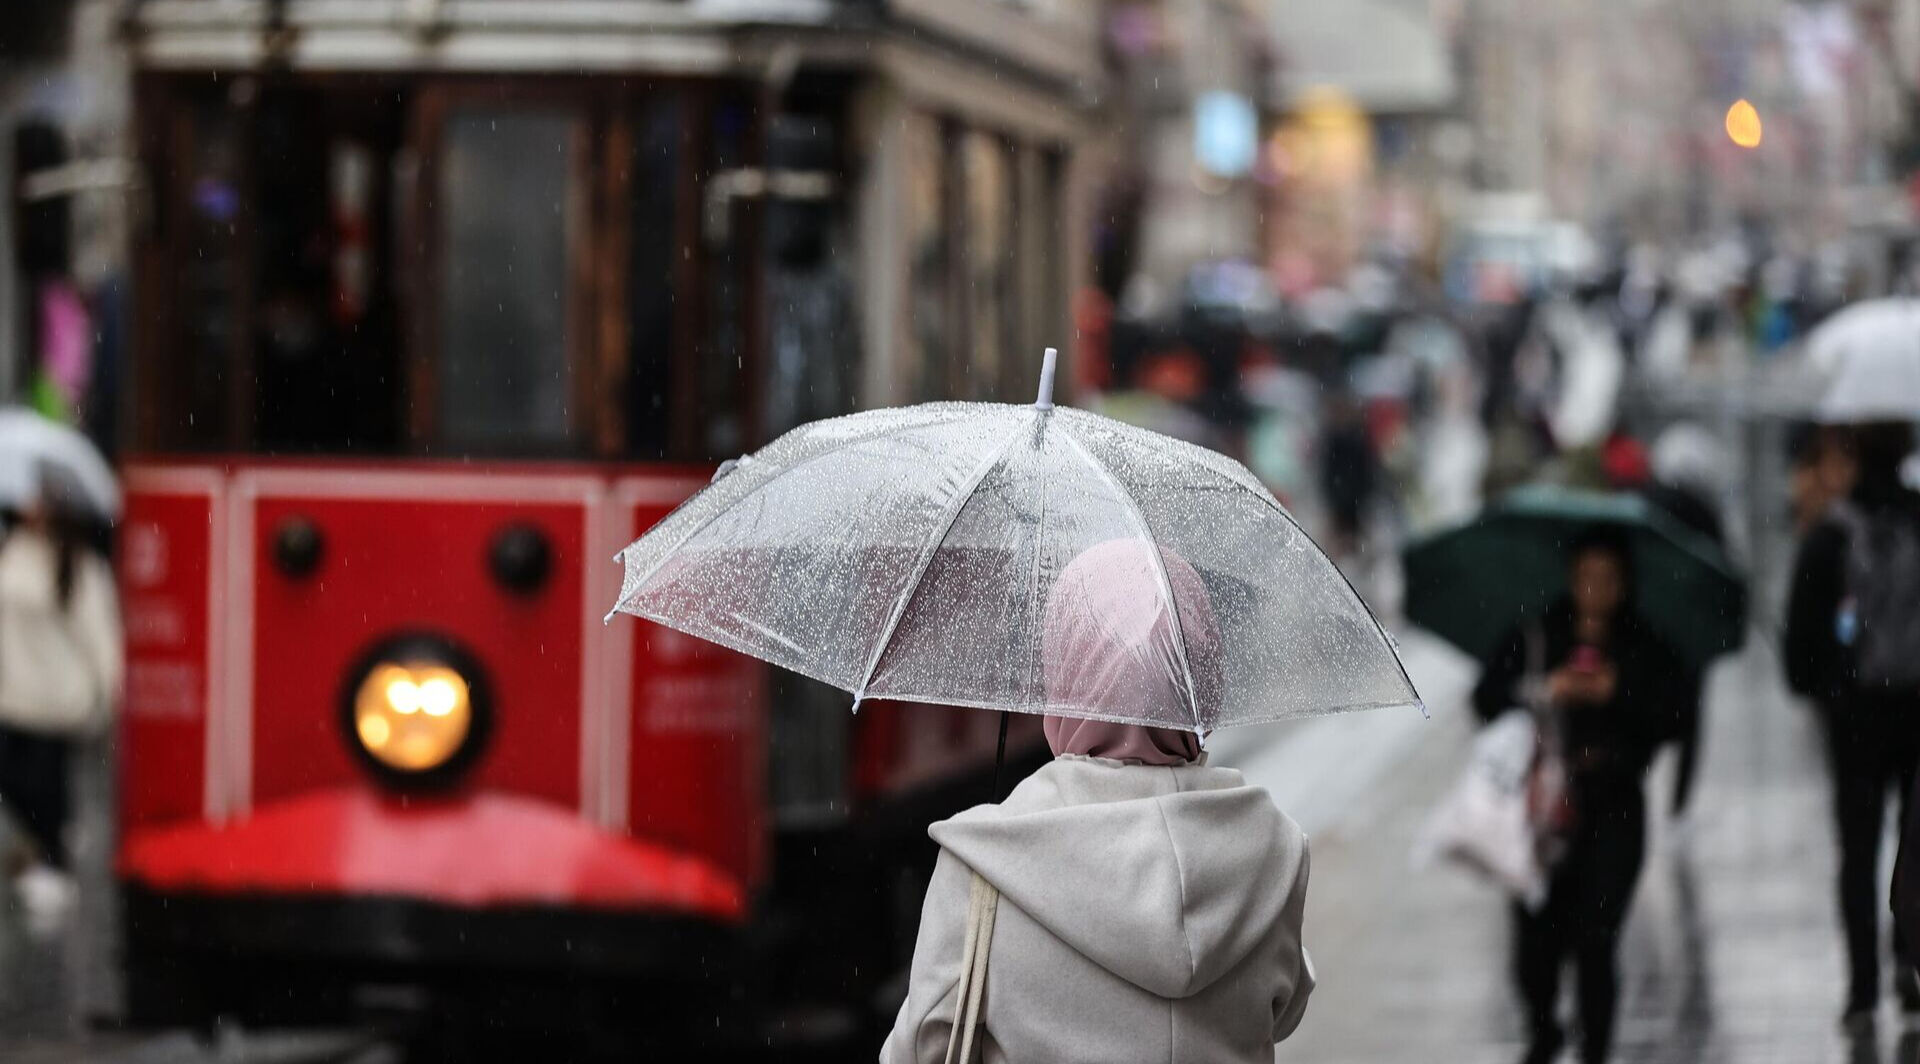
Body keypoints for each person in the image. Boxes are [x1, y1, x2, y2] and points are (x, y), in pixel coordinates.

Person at [881, 540, 1314, 1063]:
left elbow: (920, 1049)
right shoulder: (1276, 849)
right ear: (1203, 680)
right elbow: (1287, 1007)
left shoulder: (984, 863)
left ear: (1065, 671)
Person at [1472, 527, 1685, 1064]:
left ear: (1624, 584)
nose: (1596, 590)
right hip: (1544, 810)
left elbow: (1675, 715)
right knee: (1535, 939)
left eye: (1608, 579)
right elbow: (1487, 696)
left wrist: (1619, 691)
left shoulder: (1644, 642)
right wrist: (1548, 690)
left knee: (1597, 937)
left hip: (1614, 807)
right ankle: (1544, 1032)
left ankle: (1596, 1046)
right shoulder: (1539, 633)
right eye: (1586, 577)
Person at [1784, 421, 1920, 1033]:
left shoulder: (1831, 535)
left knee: (1858, 853)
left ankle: (1862, 990)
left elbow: (1799, 651)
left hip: (1856, 719)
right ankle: (1908, 960)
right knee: (1915, 846)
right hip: (1918, 711)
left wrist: (1830, 687)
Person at [0, 487, 122, 934]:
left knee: (44, 783)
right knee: (16, 777)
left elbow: (101, 634)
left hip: (58, 698)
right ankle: (50, 839)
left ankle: (53, 860)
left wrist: (113, 693)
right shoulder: (13, 551)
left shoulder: (81, 566)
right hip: (13, 694)